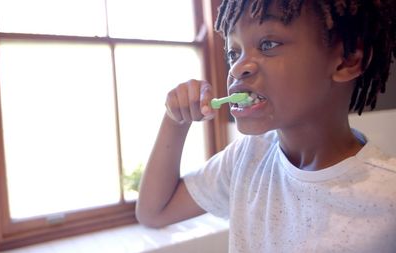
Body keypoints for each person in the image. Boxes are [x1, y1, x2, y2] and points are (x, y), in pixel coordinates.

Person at [136, 0, 396, 252]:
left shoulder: (388, 195)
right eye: (233, 52)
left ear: (347, 60)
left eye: (268, 44)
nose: (237, 68)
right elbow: (153, 212)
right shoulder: (246, 158)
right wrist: (175, 121)